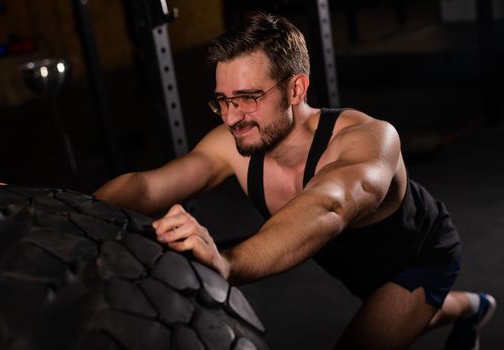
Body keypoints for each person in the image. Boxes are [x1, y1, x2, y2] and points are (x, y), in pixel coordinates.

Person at [94, 12, 496, 350]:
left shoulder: (369, 137)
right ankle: (473, 306)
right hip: (356, 270)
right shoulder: (231, 144)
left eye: (248, 98)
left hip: (418, 260)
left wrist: (227, 262)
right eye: (224, 100)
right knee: (411, 318)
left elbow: (330, 204)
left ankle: (465, 306)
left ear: (296, 88)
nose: (233, 118)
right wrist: (61, 213)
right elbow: (147, 187)